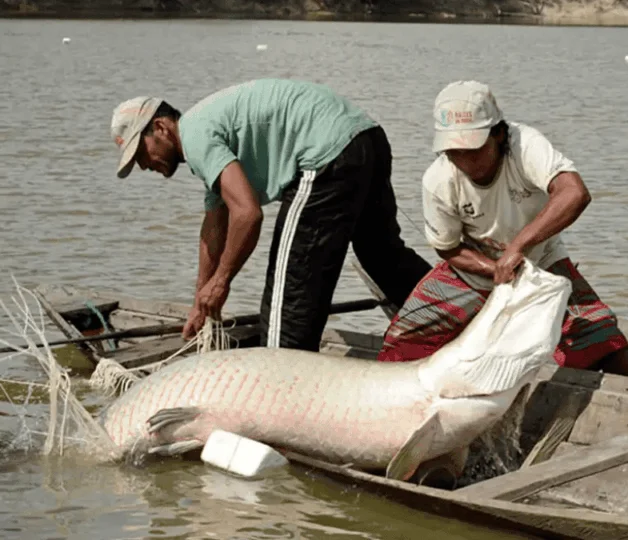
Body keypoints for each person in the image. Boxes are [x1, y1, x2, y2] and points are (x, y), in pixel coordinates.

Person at [109, 78, 432, 351]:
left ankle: (283, 396)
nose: (143, 165)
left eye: (141, 152)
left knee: (289, 300)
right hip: (366, 138)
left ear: (161, 127)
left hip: (326, 155)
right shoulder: (205, 131)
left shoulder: (196, 136)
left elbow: (247, 214)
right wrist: (200, 300)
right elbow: (214, 224)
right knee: (382, 257)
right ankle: (458, 315)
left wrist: (221, 282)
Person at [375, 80, 628, 379]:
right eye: (455, 151)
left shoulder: (524, 145)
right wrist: (494, 268)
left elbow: (574, 193)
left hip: (541, 262)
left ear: (499, 134)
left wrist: (517, 248)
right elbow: (448, 247)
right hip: (473, 268)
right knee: (403, 341)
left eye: (474, 149)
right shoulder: (438, 179)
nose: (465, 161)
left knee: (601, 340)